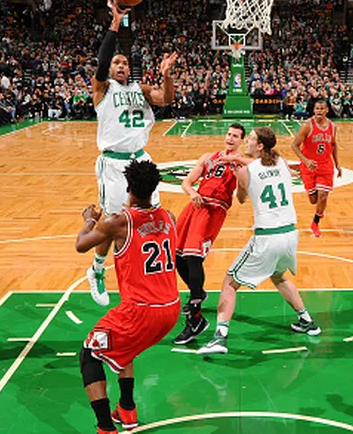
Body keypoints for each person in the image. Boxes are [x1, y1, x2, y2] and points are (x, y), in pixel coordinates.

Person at [75, 160, 180, 433]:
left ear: (128, 188)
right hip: (170, 308)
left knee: (89, 354)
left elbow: (81, 245)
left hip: (142, 310)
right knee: (126, 348)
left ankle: (105, 427)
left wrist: (90, 218)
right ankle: (126, 409)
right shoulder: (170, 216)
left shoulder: (118, 222)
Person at [88, 0, 178, 306]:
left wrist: (166, 76)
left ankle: (142, 270)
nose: (121, 64)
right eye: (117, 62)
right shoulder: (102, 89)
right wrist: (115, 22)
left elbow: (166, 99)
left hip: (141, 160)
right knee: (114, 221)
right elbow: (101, 61)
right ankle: (97, 269)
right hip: (113, 164)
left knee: (150, 215)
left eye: (125, 62)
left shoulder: (139, 90)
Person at [197, 128, 321, 355]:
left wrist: (236, 169)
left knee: (230, 283)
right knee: (277, 275)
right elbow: (259, 163)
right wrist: (237, 160)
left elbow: (242, 199)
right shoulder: (281, 162)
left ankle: (219, 337)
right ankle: (307, 321)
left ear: (260, 145)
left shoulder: (245, 171)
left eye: (251, 139)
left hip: (267, 237)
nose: (247, 142)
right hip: (290, 235)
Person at [172, 123, 248, 345]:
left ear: (241, 141)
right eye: (229, 134)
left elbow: (242, 197)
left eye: (235, 136)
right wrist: (193, 192)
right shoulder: (209, 157)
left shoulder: (240, 165)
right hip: (194, 206)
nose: (230, 138)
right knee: (176, 257)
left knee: (194, 257)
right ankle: (199, 293)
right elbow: (187, 182)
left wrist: (240, 180)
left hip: (214, 210)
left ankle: (195, 318)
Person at [291, 99, 341, 238]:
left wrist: (337, 163)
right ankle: (320, 208)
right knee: (313, 200)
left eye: (322, 108)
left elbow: (333, 145)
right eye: (317, 108)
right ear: (314, 110)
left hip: (325, 166)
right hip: (309, 167)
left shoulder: (332, 126)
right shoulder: (307, 125)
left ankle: (315, 223)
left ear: (327, 110)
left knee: (323, 195)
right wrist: (306, 161)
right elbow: (294, 145)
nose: (319, 111)